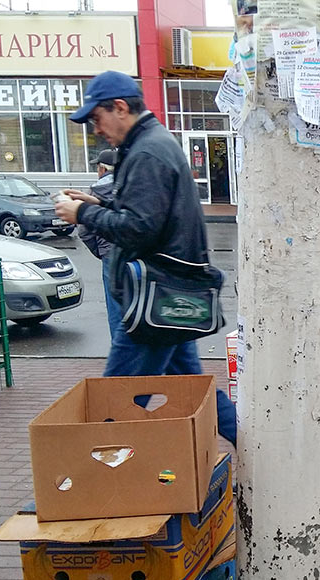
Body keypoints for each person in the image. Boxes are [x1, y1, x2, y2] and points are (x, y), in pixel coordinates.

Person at [52, 70, 236, 445]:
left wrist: (82, 215)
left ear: (120, 107)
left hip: (154, 303)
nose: (96, 129)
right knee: (194, 390)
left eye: (96, 118)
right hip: (165, 300)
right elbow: (151, 213)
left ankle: (103, 478)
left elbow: (140, 228)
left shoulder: (147, 151)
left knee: (114, 401)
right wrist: (100, 202)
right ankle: (255, 448)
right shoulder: (150, 145)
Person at [77, 149, 121, 339]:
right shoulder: (129, 187)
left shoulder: (94, 192)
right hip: (135, 251)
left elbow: (84, 230)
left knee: (115, 305)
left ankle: (119, 349)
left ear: (102, 169)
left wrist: (100, 251)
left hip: (109, 254)